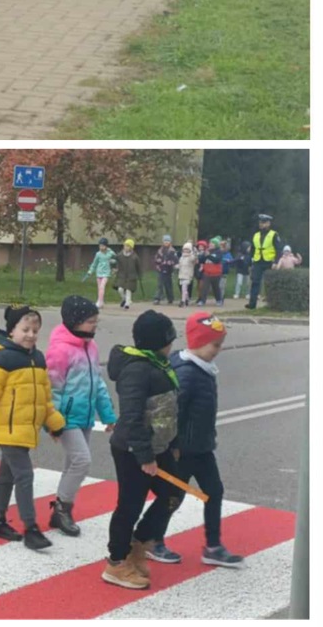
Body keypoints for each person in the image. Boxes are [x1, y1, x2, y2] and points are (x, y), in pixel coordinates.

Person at [0, 304, 65, 550]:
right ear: (12, 331)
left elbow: (44, 398)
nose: (31, 335)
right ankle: (31, 528)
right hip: (8, 429)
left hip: (24, 429)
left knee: (7, 476)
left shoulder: (38, 358)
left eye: (35, 330)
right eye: (25, 329)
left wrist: (54, 425)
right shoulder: (2, 358)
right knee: (25, 475)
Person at [102, 310, 184, 589]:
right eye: (169, 339)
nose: (171, 345)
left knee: (173, 493)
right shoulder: (137, 369)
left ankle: (139, 543)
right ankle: (116, 562)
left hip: (159, 447)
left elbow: (168, 411)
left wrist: (173, 445)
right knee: (130, 505)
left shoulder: (159, 364)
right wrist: (145, 457)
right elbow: (133, 417)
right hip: (132, 450)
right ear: (157, 341)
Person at [166, 313, 245, 567]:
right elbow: (175, 414)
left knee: (214, 492)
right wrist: (173, 445)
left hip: (202, 447)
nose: (218, 351)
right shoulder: (188, 373)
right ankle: (151, 538)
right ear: (198, 342)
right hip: (184, 450)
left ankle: (213, 546)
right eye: (215, 345)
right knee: (173, 497)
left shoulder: (204, 368)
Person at [45, 296, 117, 537]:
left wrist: (107, 415)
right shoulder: (60, 351)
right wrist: (52, 423)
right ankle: (62, 508)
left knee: (72, 463)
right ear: (74, 321)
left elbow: (98, 383)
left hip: (85, 416)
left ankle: (60, 511)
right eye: (89, 321)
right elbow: (52, 389)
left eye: (96, 321)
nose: (94, 326)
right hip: (66, 418)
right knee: (82, 461)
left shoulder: (90, 347)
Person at [248, 213, 281, 310]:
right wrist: (251, 260)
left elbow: (278, 249)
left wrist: (276, 262)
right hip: (258, 261)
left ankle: (271, 304)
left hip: (269, 261)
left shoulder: (274, 234)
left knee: (270, 283)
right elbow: (253, 249)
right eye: (260, 222)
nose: (261, 224)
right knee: (255, 282)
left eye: (263, 222)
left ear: (268, 223)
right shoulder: (256, 235)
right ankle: (252, 304)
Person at [84, 237, 116, 309]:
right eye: (100, 246)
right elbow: (94, 264)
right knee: (99, 288)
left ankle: (99, 301)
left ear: (106, 246)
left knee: (102, 287)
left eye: (103, 246)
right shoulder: (98, 254)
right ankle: (101, 302)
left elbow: (115, 258)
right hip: (99, 273)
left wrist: (113, 264)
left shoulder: (110, 253)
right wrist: (90, 271)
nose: (101, 247)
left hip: (106, 273)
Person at [114, 238, 142, 309]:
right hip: (122, 275)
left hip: (131, 276)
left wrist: (139, 275)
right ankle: (124, 299)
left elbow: (138, 266)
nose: (126, 247)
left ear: (131, 248)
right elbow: (116, 262)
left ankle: (127, 303)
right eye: (125, 245)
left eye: (128, 246)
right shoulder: (120, 255)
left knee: (128, 290)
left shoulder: (134, 257)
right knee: (120, 289)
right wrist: (115, 268)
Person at [197, 237, 224, 307]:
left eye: (213, 243)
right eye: (210, 243)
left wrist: (209, 255)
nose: (211, 244)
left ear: (216, 245)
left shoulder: (219, 252)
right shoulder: (207, 251)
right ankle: (202, 301)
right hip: (207, 272)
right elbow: (201, 260)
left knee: (216, 288)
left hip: (216, 273)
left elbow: (216, 260)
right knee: (204, 287)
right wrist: (203, 256)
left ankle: (219, 300)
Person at [153, 235, 178, 305]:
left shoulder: (172, 251)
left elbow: (175, 260)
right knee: (160, 284)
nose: (166, 242)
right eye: (165, 241)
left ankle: (170, 298)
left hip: (169, 270)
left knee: (168, 285)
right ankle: (157, 298)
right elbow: (156, 259)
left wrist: (172, 264)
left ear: (170, 242)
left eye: (168, 241)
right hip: (161, 269)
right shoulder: (160, 250)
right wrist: (158, 265)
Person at [178, 241, 197, 307]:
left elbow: (193, 259)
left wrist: (193, 252)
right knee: (184, 289)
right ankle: (187, 300)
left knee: (184, 288)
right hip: (181, 275)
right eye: (184, 249)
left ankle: (183, 301)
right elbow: (180, 265)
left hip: (188, 275)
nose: (185, 251)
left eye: (187, 249)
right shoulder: (182, 257)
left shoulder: (191, 257)